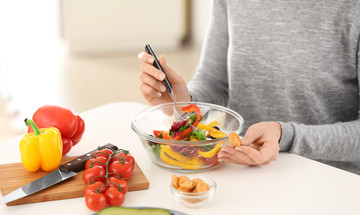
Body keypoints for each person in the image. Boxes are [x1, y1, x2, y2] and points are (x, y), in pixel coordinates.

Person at [137, 0, 360, 174]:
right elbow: (215, 81)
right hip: (240, 169)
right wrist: (184, 103)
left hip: (328, 177)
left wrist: (287, 136)